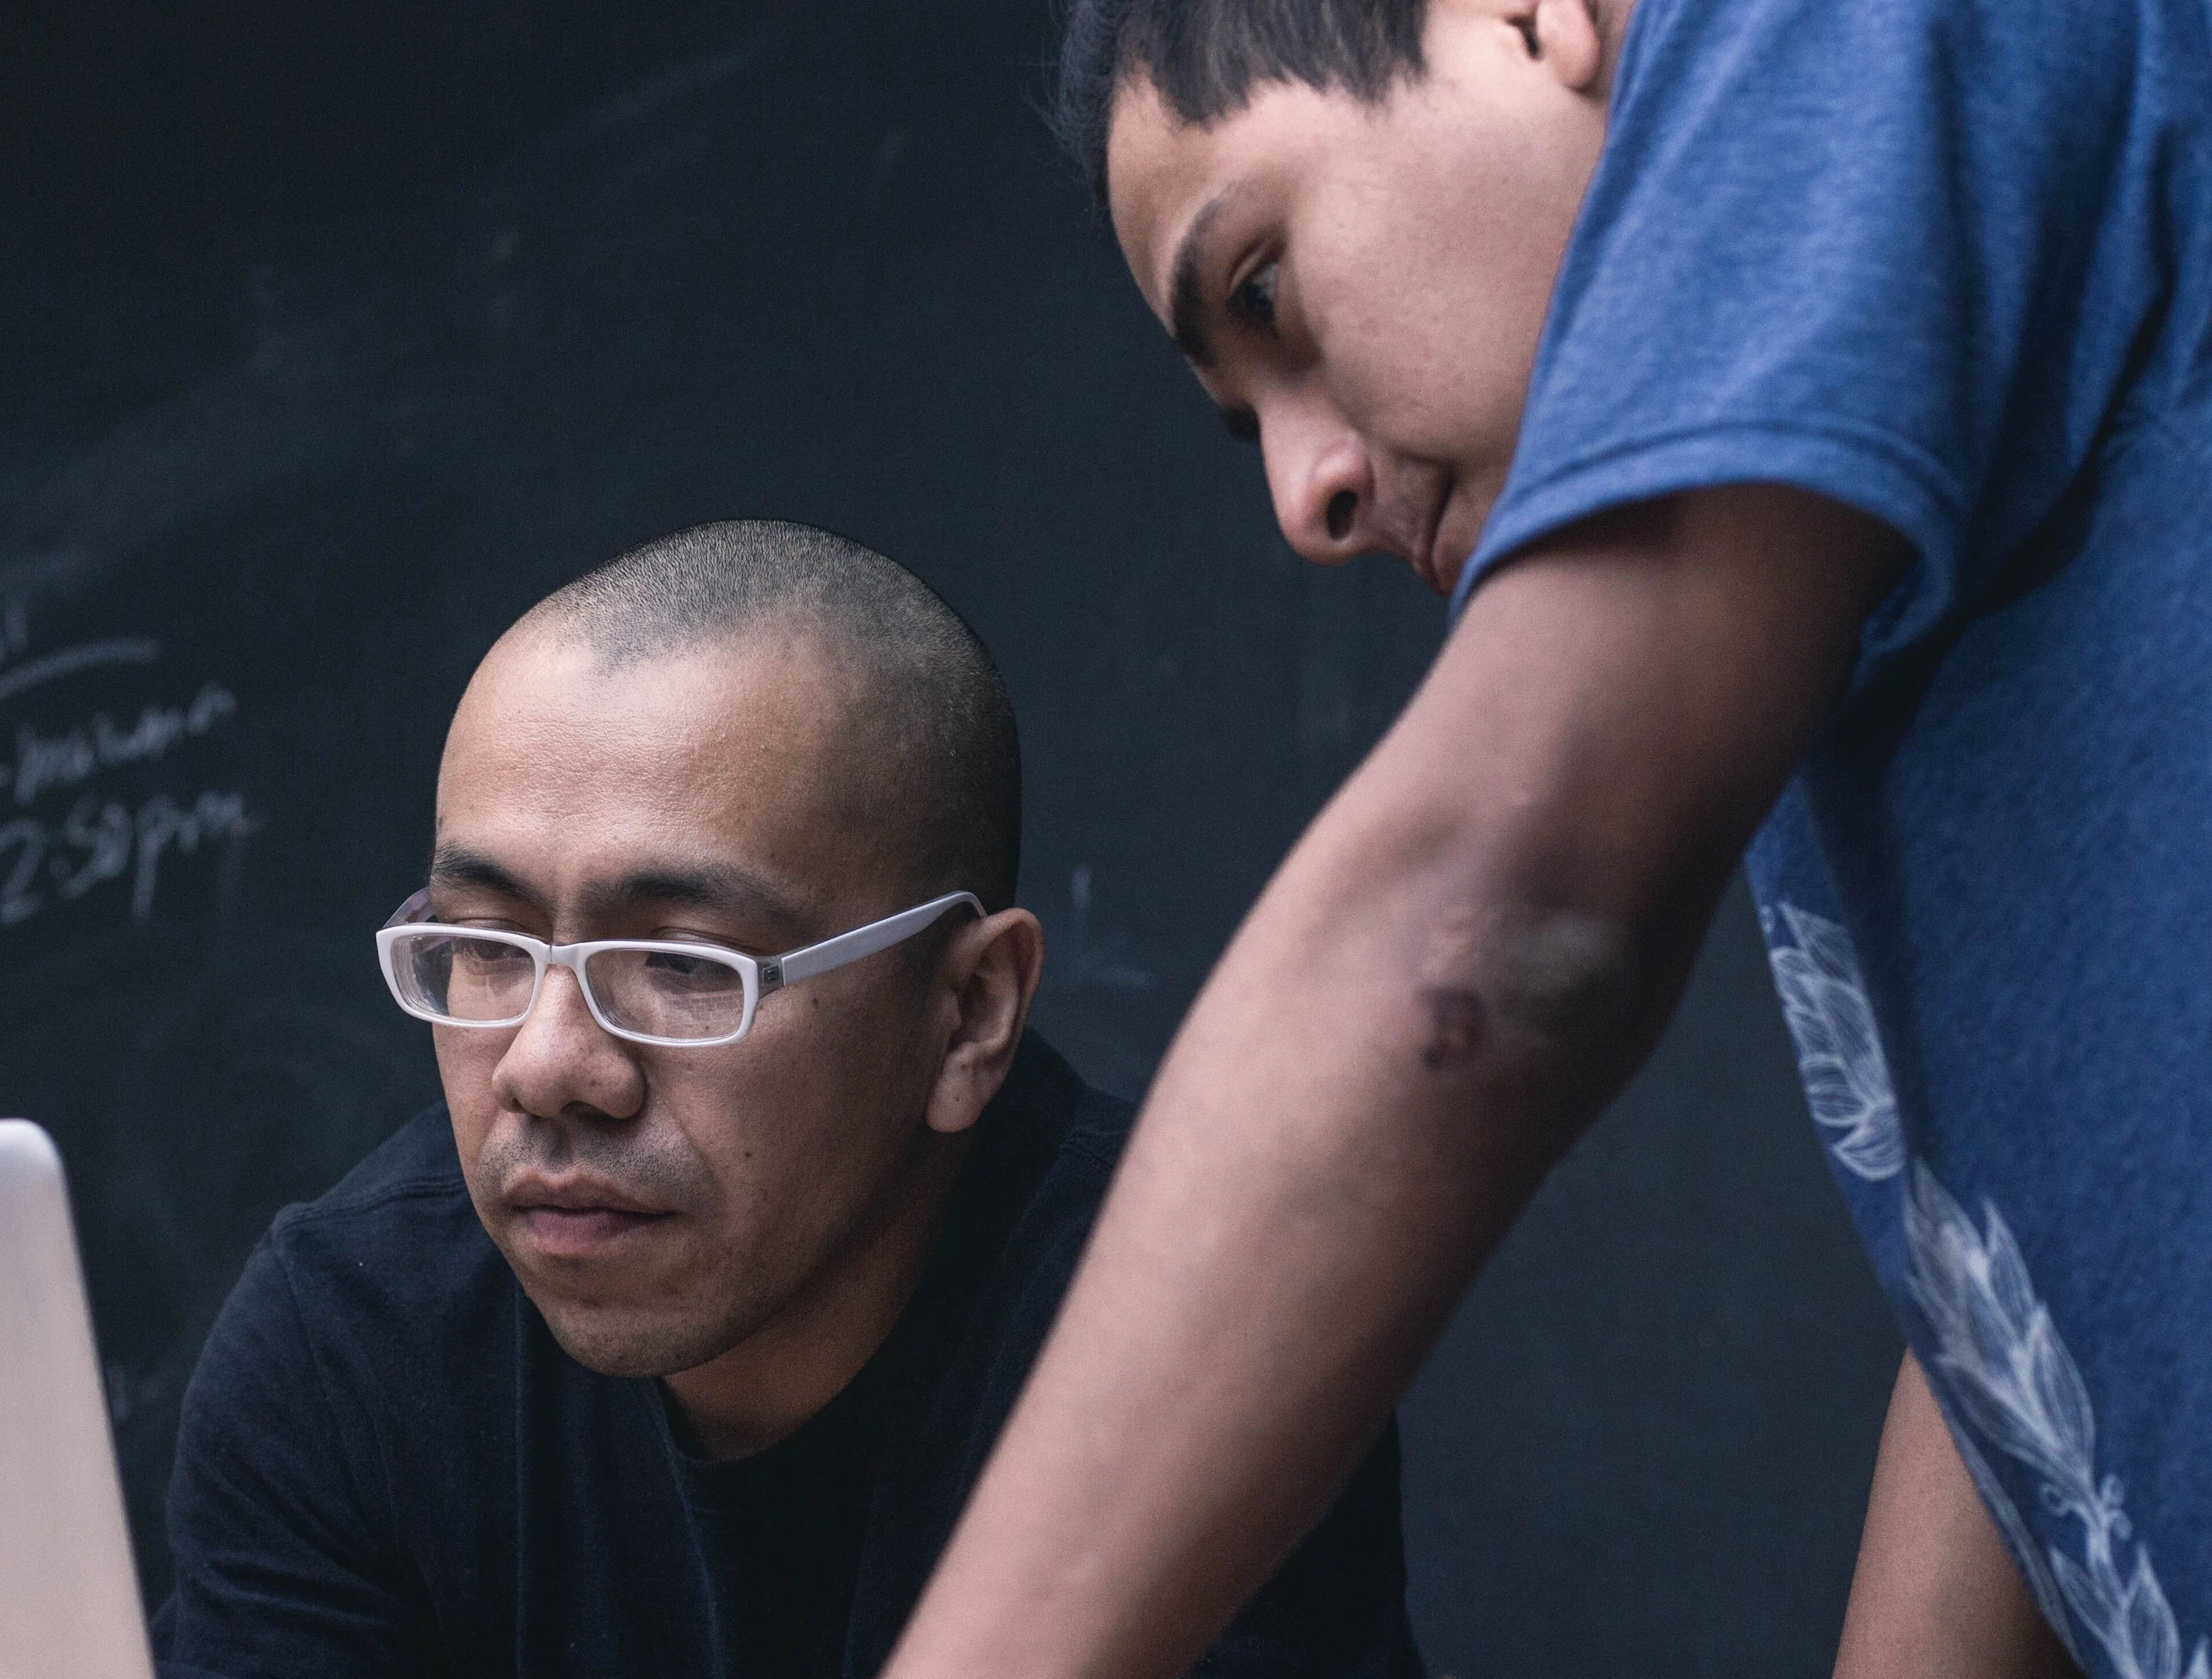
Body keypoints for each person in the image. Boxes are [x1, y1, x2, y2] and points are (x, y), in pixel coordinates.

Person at [877, 0, 2208, 1676]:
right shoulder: (1836, 584)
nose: (1306, 497)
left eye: (1268, 294)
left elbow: (1482, 932)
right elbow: (2015, 1276)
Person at [152, 520, 1424, 1678]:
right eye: (488, 945)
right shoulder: (354, 1349)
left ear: (969, 1012)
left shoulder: (1198, 1334)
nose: (546, 1065)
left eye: (680, 965)